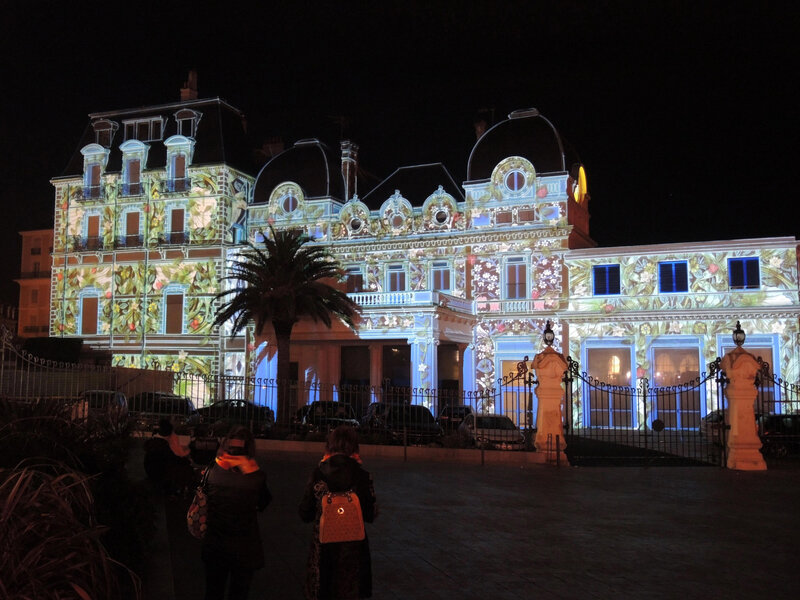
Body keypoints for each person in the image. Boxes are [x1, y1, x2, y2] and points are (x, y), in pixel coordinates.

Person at [299, 425, 377, 599]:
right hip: (353, 548)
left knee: (323, 590)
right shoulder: (362, 476)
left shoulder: (319, 473)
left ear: (330, 446)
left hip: (323, 548)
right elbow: (370, 515)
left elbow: (305, 513)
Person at [202, 425, 272, 600]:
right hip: (244, 545)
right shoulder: (257, 476)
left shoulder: (212, 470)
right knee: (239, 592)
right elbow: (263, 502)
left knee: (213, 590)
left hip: (215, 542)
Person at [143, 419, 193, 495]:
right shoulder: (164, 446)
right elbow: (174, 458)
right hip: (162, 472)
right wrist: (186, 459)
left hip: (150, 470)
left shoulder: (152, 442)